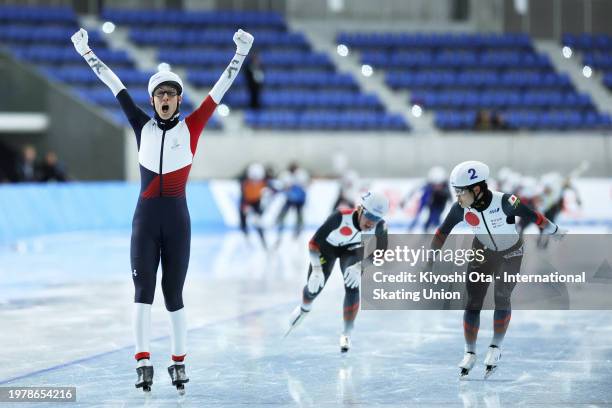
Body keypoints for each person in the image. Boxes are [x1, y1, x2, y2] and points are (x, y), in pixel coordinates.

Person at [71, 27, 254, 393]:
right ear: (152, 101)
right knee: (143, 292)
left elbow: (220, 89)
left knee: (174, 294)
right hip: (145, 222)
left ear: (178, 100)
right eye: (159, 94)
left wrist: (240, 54)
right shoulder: (141, 126)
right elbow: (114, 84)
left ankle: (178, 362)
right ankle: (142, 362)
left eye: (171, 93)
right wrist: (85, 51)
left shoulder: (193, 126)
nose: (165, 98)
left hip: (177, 224)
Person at [430, 161, 566, 379]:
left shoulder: (504, 201)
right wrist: (431, 255)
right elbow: (442, 231)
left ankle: (495, 348)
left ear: (476, 189)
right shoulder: (459, 209)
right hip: (482, 252)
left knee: (502, 298)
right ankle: (469, 352)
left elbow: (532, 215)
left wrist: (553, 229)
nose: (457, 198)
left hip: (510, 254)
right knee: (473, 303)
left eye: (460, 192)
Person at [286, 191, 389, 353]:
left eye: (376, 219)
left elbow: (381, 251)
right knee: (314, 287)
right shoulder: (340, 217)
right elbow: (313, 243)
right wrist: (317, 269)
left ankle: (347, 333)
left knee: (353, 285)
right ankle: (305, 308)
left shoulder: (380, 227)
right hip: (327, 250)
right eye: (369, 216)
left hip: (351, 251)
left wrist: (360, 267)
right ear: (360, 209)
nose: (371, 223)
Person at [402, 166, 451, 232]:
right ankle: (412, 228)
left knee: (434, 218)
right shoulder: (428, 187)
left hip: (438, 204)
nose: (437, 187)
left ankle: (428, 229)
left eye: (439, 185)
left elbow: (451, 198)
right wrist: (405, 200)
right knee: (419, 214)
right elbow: (415, 190)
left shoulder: (446, 189)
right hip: (428, 201)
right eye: (434, 185)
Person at [275, 162, 309, 245]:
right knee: (284, 212)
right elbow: (283, 187)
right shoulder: (286, 175)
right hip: (291, 198)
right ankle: (279, 222)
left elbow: (306, 185)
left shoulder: (301, 175)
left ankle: (299, 229)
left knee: (299, 215)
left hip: (299, 199)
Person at [238, 162, 269, 249]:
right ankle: (246, 238)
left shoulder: (263, 182)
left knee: (258, 224)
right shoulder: (245, 184)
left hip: (256, 202)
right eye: (253, 179)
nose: (255, 182)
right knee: (243, 222)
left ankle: (263, 243)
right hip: (247, 202)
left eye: (257, 180)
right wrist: (244, 206)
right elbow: (243, 196)